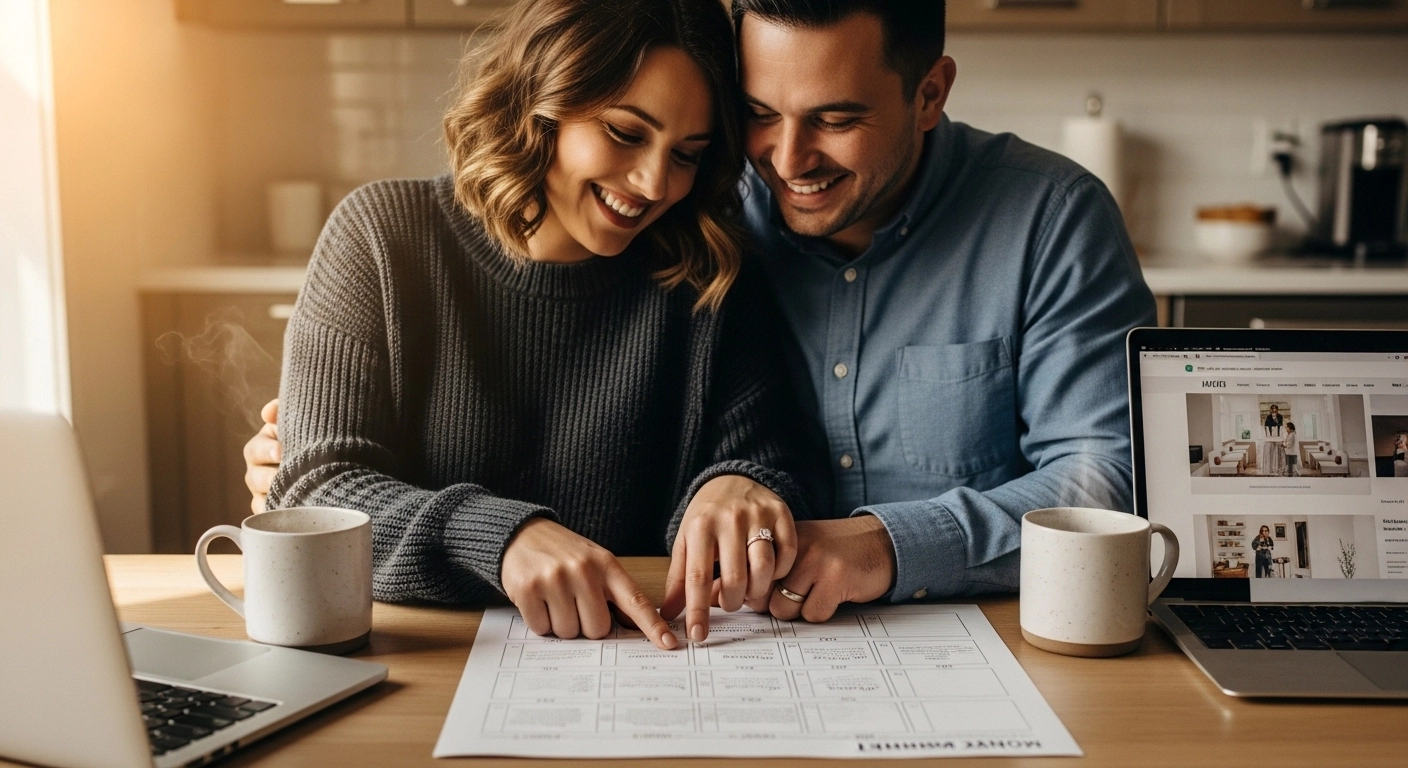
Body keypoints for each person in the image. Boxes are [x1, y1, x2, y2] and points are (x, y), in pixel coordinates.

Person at [246, 0, 1156, 623]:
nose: (788, 160)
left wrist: (763, 494)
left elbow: (1109, 480)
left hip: (955, 631)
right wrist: (353, 482)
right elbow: (321, 482)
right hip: (475, 655)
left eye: (834, 117)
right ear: (546, 96)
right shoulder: (712, 220)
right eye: (758, 117)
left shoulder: (702, 250)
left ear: (930, 94)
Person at [260, 0, 820, 650]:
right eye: (626, 133)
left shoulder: (711, 277)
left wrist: (742, 485)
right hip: (423, 656)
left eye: (687, 155)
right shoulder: (381, 237)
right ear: (542, 100)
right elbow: (314, 491)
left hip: (643, 659)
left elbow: (777, 467)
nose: (653, 183)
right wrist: (502, 538)